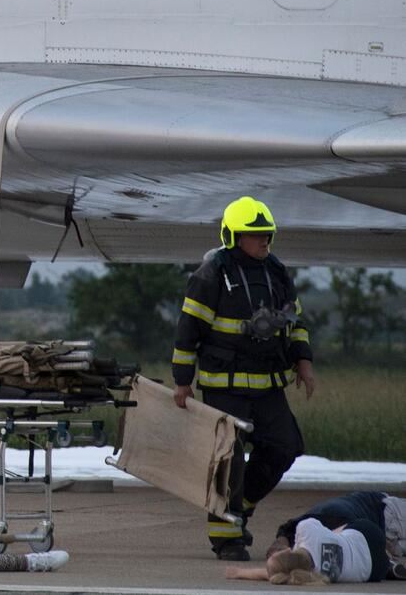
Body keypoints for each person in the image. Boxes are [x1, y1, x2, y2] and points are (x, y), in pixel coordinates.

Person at [170, 196, 315, 561]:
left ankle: (242, 506)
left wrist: (303, 361)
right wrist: (183, 381)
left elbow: (295, 323)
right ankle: (226, 538)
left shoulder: (277, 272)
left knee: (285, 446)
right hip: (225, 387)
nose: (264, 241)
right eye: (255, 235)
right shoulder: (211, 274)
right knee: (228, 461)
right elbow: (188, 331)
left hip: (268, 386)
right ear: (234, 237)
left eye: (267, 234)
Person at [267, 492, 406, 580]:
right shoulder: (308, 529)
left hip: (381, 524)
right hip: (384, 516)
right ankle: (387, 563)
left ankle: (388, 565)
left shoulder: (312, 567)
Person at [225, 517, 387, 585]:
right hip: (367, 537)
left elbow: (268, 574)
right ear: (288, 550)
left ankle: (389, 563)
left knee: (338, 546)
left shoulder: (314, 576)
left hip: (374, 572)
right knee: (335, 533)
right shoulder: (306, 530)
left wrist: (239, 573)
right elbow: (323, 530)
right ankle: (391, 549)